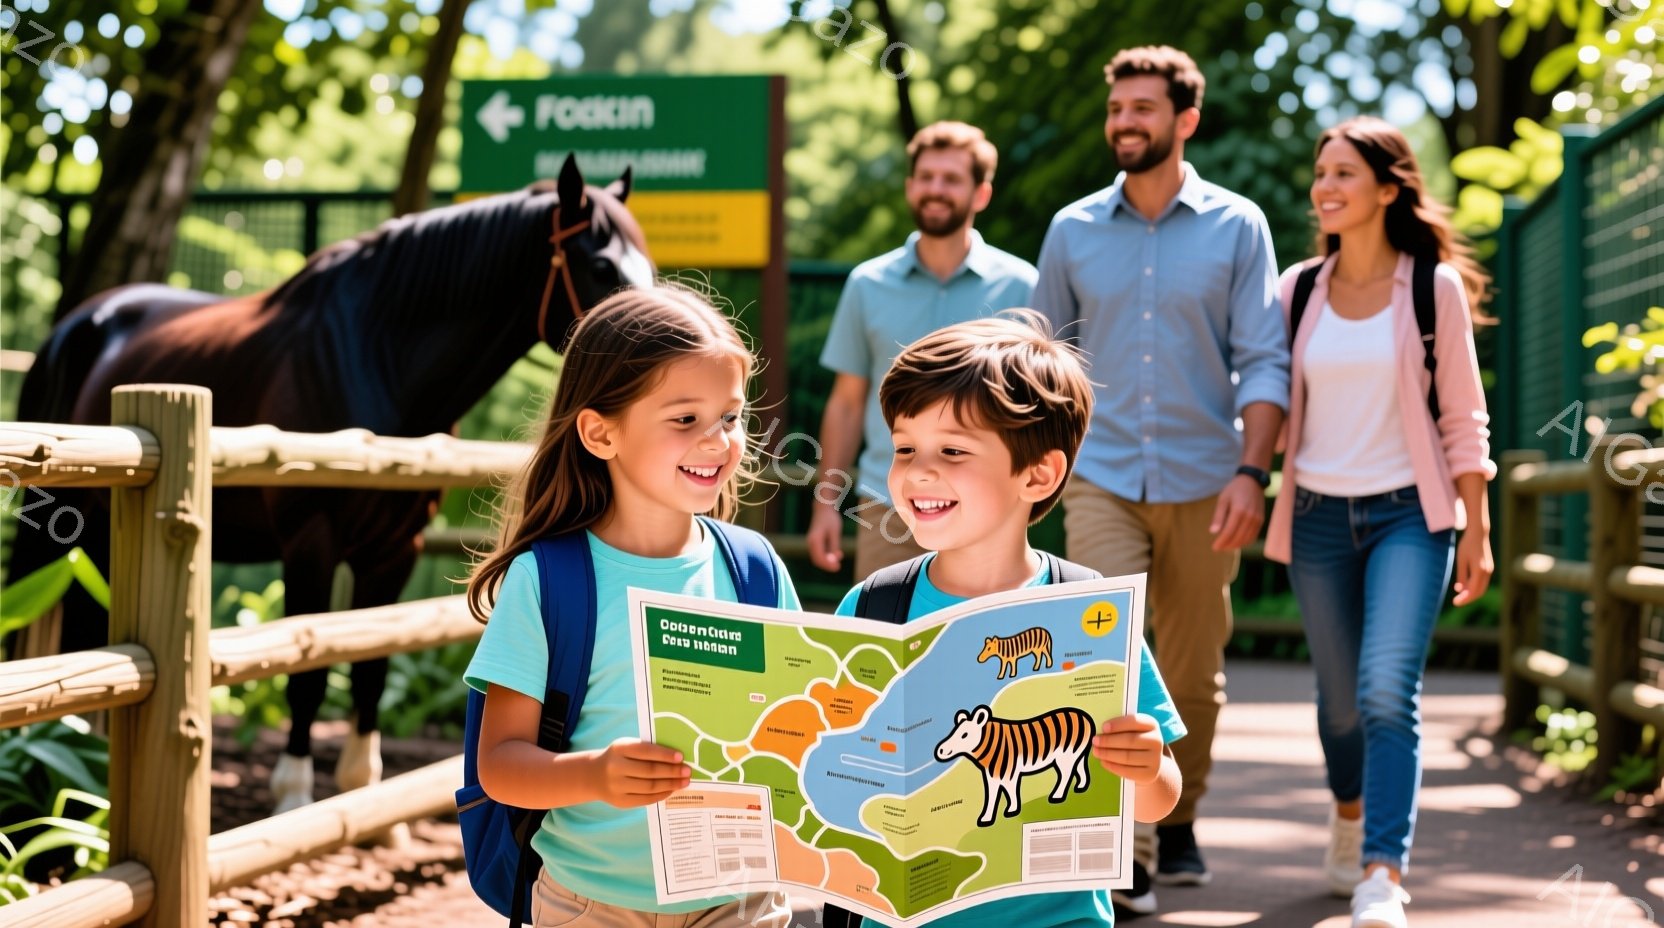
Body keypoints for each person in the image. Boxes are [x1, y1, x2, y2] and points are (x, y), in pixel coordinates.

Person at [1032, 45, 1288, 912]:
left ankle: (1177, 816)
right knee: (1101, 649)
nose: (1124, 123)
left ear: (1185, 120)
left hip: (1208, 480)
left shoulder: (1238, 225)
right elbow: (1045, 359)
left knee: (1189, 670)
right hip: (1097, 472)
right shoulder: (1071, 230)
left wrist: (1254, 472)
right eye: (1117, 110)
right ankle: (1125, 847)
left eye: (1143, 109)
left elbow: (1262, 360)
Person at [462, 286, 805, 927]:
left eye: (730, 417)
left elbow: (796, 729)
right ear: (600, 432)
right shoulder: (547, 580)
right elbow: (500, 766)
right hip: (589, 905)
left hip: (740, 899)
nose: (718, 441)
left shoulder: (755, 568)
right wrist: (593, 774)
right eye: (684, 419)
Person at [833, 311, 1186, 928]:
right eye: (905, 448)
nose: (918, 471)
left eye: (952, 451)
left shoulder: (1091, 611)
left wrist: (1148, 766)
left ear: (1038, 473)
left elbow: (1156, 801)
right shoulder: (870, 605)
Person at [1263, 117, 1495, 928]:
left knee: (1387, 690)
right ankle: (1350, 809)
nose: (1324, 188)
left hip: (1410, 516)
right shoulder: (1296, 291)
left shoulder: (1432, 288)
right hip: (1319, 519)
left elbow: (1465, 418)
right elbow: (1266, 403)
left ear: (1389, 188)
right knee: (1340, 706)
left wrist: (1479, 526)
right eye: (1319, 173)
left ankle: (1381, 873)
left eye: (1344, 175)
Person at [809, 120, 1038, 580]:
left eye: (951, 179)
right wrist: (826, 506)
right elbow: (847, 404)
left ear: (981, 194)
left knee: (984, 647)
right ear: (911, 187)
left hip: (990, 503)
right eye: (927, 178)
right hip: (888, 505)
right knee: (880, 644)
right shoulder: (866, 284)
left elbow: (1037, 409)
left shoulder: (1023, 286)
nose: (936, 189)